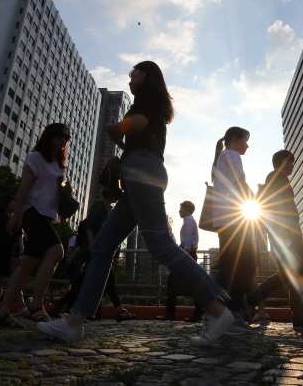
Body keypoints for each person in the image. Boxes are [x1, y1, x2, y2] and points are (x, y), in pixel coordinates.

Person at [37, 61, 233, 346]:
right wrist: (122, 136)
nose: (130, 80)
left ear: (145, 76)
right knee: (103, 246)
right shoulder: (155, 102)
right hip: (141, 173)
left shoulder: (146, 96)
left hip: (142, 171)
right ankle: (74, 322)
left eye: (133, 75)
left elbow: (138, 124)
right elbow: (142, 133)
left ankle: (217, 309)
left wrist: (115, 126)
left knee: (160, 244)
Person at [0, 123, 74, 328]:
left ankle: (2, 312)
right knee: (57, 252)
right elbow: (24, 187)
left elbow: (52, 189)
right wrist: (16, 216)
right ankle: (37, 306)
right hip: (32, 212)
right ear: (49, 136)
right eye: (60, 135)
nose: (64, 139)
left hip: (47, 216)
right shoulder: (36, 158)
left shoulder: (58, 164)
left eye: (67, 137)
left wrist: (66, 191)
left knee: (27, 263)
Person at [243, 150, 303, 330]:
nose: (293, 166)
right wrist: (286, 237)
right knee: (299, 272)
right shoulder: (278, 178)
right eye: (291, 162)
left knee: (289, 275)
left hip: (284, 235)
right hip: (286, 235)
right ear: (283, 162)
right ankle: (300, 318)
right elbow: (278, 207)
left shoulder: (274, 178)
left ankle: (254, 300)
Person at [54, 189, 135, 321]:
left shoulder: (108, 209)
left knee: (87, 280)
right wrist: (91, 243)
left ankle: (64, 304)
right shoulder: (99, 205)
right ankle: (118, 310)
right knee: (106, 276)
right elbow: (89, 224)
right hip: (94, 248)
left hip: (100, 248)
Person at [210, 126, 258, 335]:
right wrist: (257, 201)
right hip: (234, 219)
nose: (247, 145)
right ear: (235, 138)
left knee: (236, 266)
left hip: (226, 218)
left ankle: (230, 316)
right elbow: (240, 185)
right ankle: (220, 313)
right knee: (242, 265)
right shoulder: (231, 154)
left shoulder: (222, 156)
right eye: (245, 140)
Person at [156, 201, 203, 322]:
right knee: (192, 285)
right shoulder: (190, 221)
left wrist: (181, 257)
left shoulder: (188, 221)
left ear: (186, 209)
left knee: (173, 283)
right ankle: (197, 314)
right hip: (188, 254)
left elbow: (187, 242)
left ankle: (171, 313)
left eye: (181, 208)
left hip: (186, 254)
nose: (179, 210)